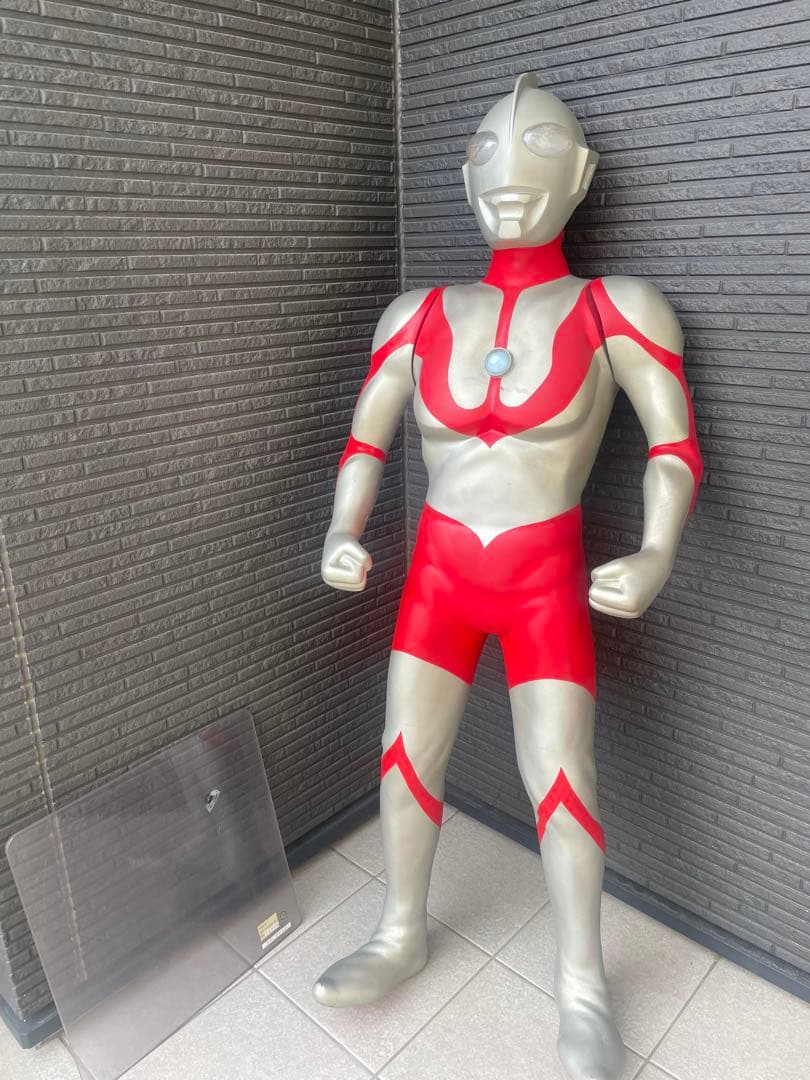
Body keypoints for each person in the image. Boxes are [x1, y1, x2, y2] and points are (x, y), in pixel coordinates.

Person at [314, 72, 702, 1080]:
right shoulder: (416, 315)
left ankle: (584, 985)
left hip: (542, 579)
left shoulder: (616, 309)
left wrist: (657, 551)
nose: (509, 175)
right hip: (439, 572)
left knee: (562, 778)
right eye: (488, 154)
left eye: (539, 151)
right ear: (463, 179)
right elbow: (365, 441)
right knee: (405, 756)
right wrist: (343, 529)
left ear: (581, 174)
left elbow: (673, 448)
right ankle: (401, 929)